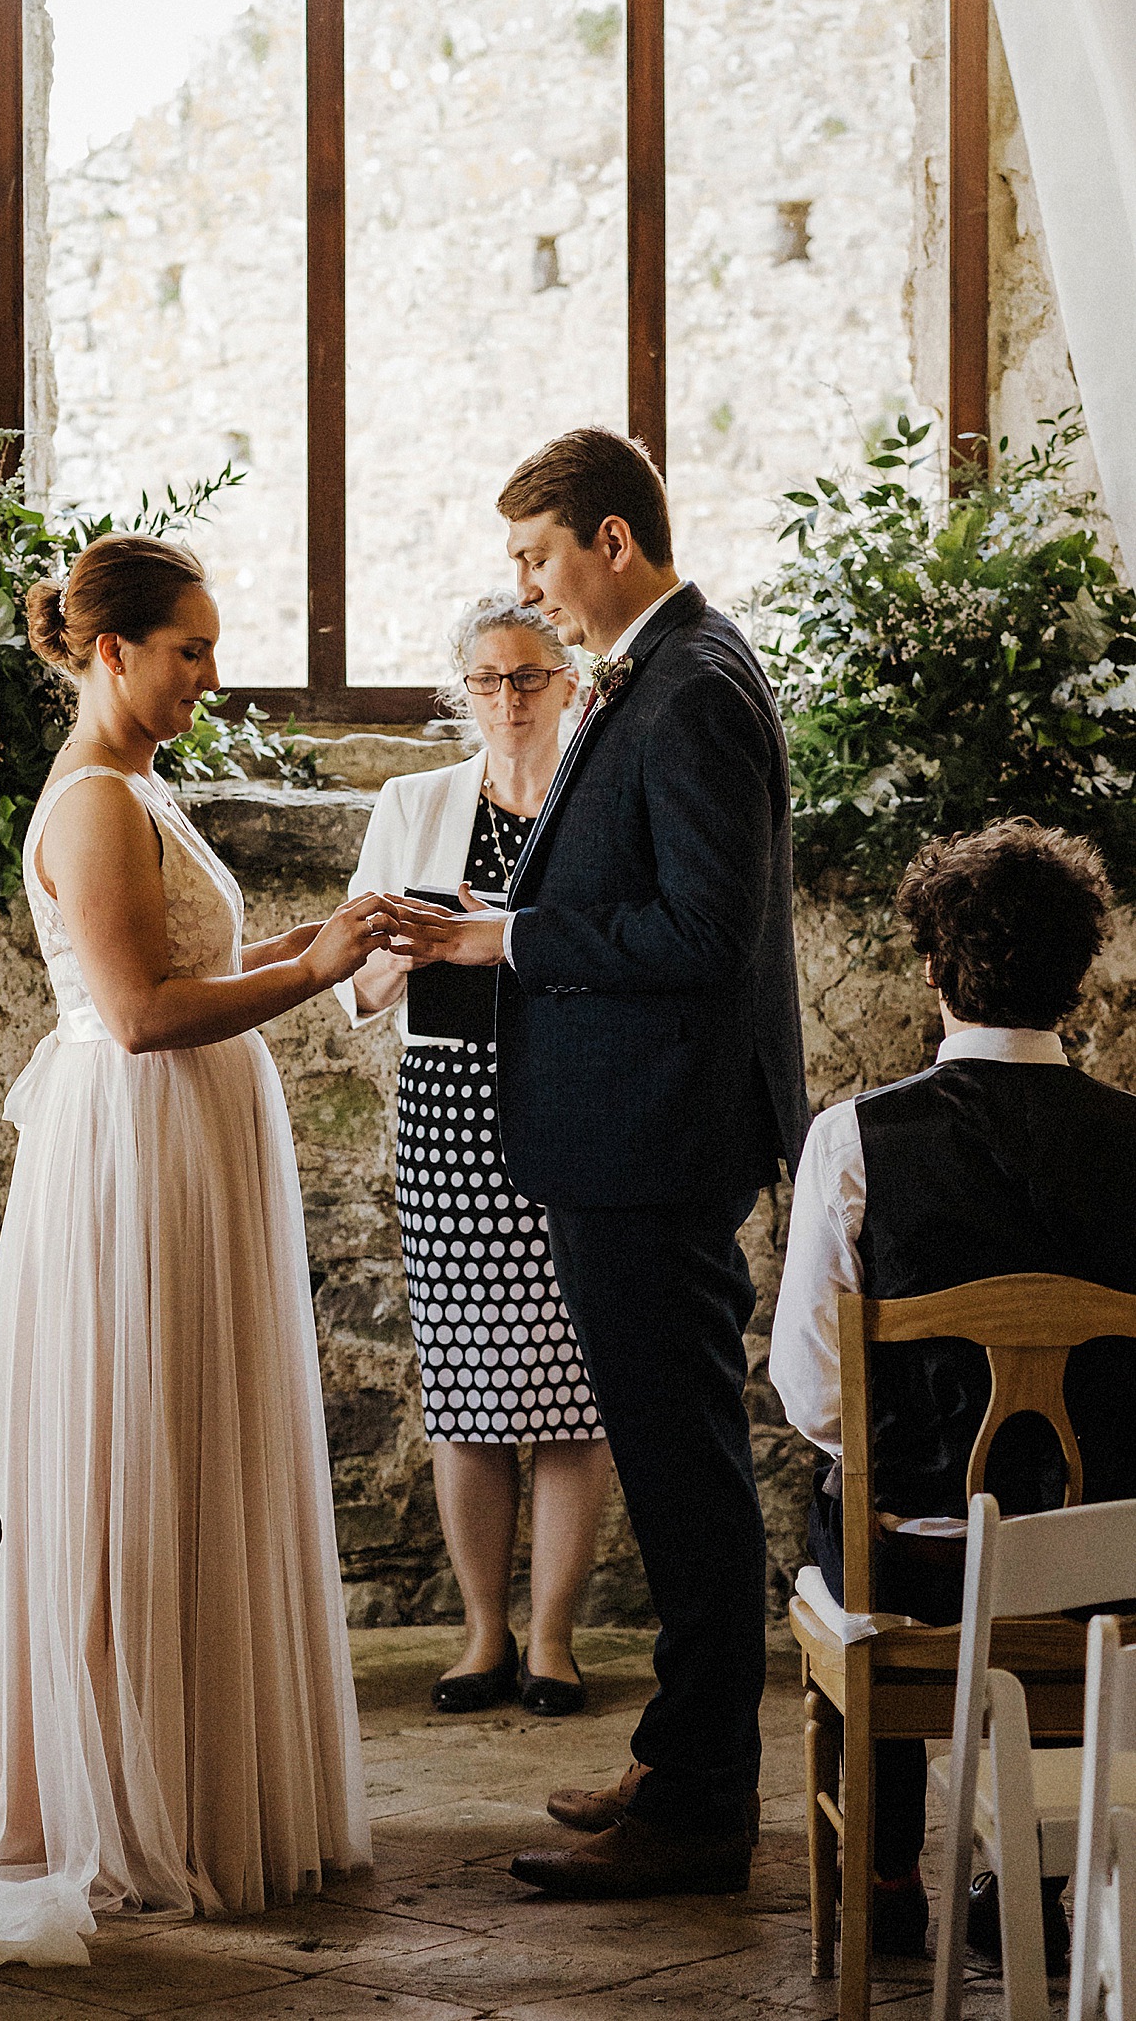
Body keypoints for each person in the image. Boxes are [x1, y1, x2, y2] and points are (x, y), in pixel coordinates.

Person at [0, 532, 382, 1967]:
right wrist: (306, 973)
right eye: (186, 647)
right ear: (110, 649)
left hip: (187, 1141)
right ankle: (118, 1787)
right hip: (134, 1145)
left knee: (199, 1439)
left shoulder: (140, 783)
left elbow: (191, 965)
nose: (208, 670)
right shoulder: (88, 802)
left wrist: (331, 932)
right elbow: (134, 1012)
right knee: (138, 1444)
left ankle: (196, 1763)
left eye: (210, 642)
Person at [384, 427, 809, 1900]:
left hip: (652, 1138)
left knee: (686, 1467)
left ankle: (697, 1809)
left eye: (538, 556)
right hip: (631, 1131)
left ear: (611, 541)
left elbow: (706, 936)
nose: (530, 587)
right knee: (675, 1451)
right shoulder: (667, 670)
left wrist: (508, 935)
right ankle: (683, 1759)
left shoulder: (687, 687)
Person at [771, 818, 1136, 1965]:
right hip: (1109, 1558)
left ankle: (883, 1876)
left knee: (849, 1502)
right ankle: (1022, 1867)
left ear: (932, 969)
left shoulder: (854, 1139)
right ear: (1076, 979)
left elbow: (809, 1394)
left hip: (925, 1558)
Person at [339, 595, 612, 1715]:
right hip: (447, 1105)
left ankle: (550, 1639)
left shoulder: (600, 801)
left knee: (570, 1388)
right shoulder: (414, 802)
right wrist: (408, 948)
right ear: (463, 692)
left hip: (577, 1096)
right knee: (464, 1386)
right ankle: (480, 1632)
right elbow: (349, 986)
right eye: (488, 681)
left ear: (569, 687)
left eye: (530, 678)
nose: (508, 700)